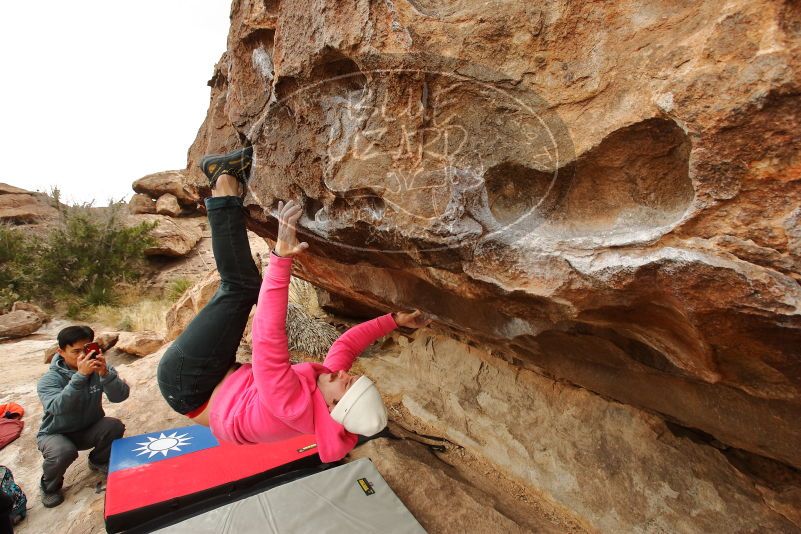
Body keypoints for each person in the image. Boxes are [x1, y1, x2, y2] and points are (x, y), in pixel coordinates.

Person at [157, 147, 430, 462]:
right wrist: (394, 320)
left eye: (347, 384)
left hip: (189, 383)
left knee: (241, 288)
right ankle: (223, 189)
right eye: (352, 377)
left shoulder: (291, 403)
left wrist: (280, 260)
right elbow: (346, 345)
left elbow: (267, 336)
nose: (345, 375)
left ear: (332, 408)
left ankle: (222, 184)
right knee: (243, 287)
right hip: (223, 380)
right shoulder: (327, 393)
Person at [37, 326, 129, 508]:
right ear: (61, 352)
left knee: (114, 426)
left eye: (86, 349)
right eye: (75, 351)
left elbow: (120, 397)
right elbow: (57, 408)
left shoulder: (100, 368)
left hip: (88, 427)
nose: (82, 356)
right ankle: (49, 486)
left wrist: (106, 375)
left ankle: (98, 460)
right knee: (62, 452)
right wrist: (80, 376)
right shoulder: (49, 380)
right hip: (57, 433)